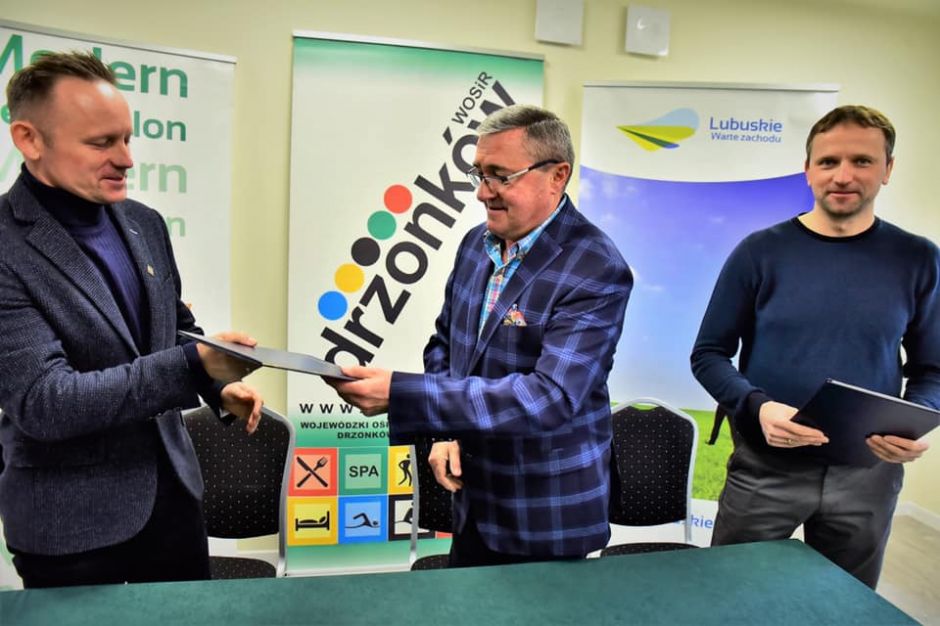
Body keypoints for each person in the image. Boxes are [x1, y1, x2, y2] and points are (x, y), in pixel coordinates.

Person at [0, 51, 264, 588]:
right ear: (29, 139)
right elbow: (45, 402)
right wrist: (193, 366)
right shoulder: (6, 245)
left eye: (126, 139)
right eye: (101, 143)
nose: (126, 160)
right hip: (70, 530)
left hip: (175, 507)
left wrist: (216, 384)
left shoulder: (145, 223)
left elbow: (171, 326)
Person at [331, 104, 632, 567]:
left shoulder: (596, 267)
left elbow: (548, 398)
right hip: (472, 503)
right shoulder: (476, 244)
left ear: (557, 176)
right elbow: (445, 345)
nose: (482, 192)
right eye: (479, 173)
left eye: (500, 176)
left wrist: (403, 394)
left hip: (545, 516)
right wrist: (445, 432)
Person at [690, 105, 940, 588]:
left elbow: (933, 369)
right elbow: (708, 355)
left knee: (844, 607)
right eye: (828, 162)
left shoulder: (918, 259)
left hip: (868, 476)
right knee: (730, 599)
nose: (843, 176)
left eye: (862, 161)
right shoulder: (760, 252)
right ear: (807, 170)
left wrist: (916, 418)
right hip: (765, 472)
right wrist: (757, 406)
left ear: (887, 169)